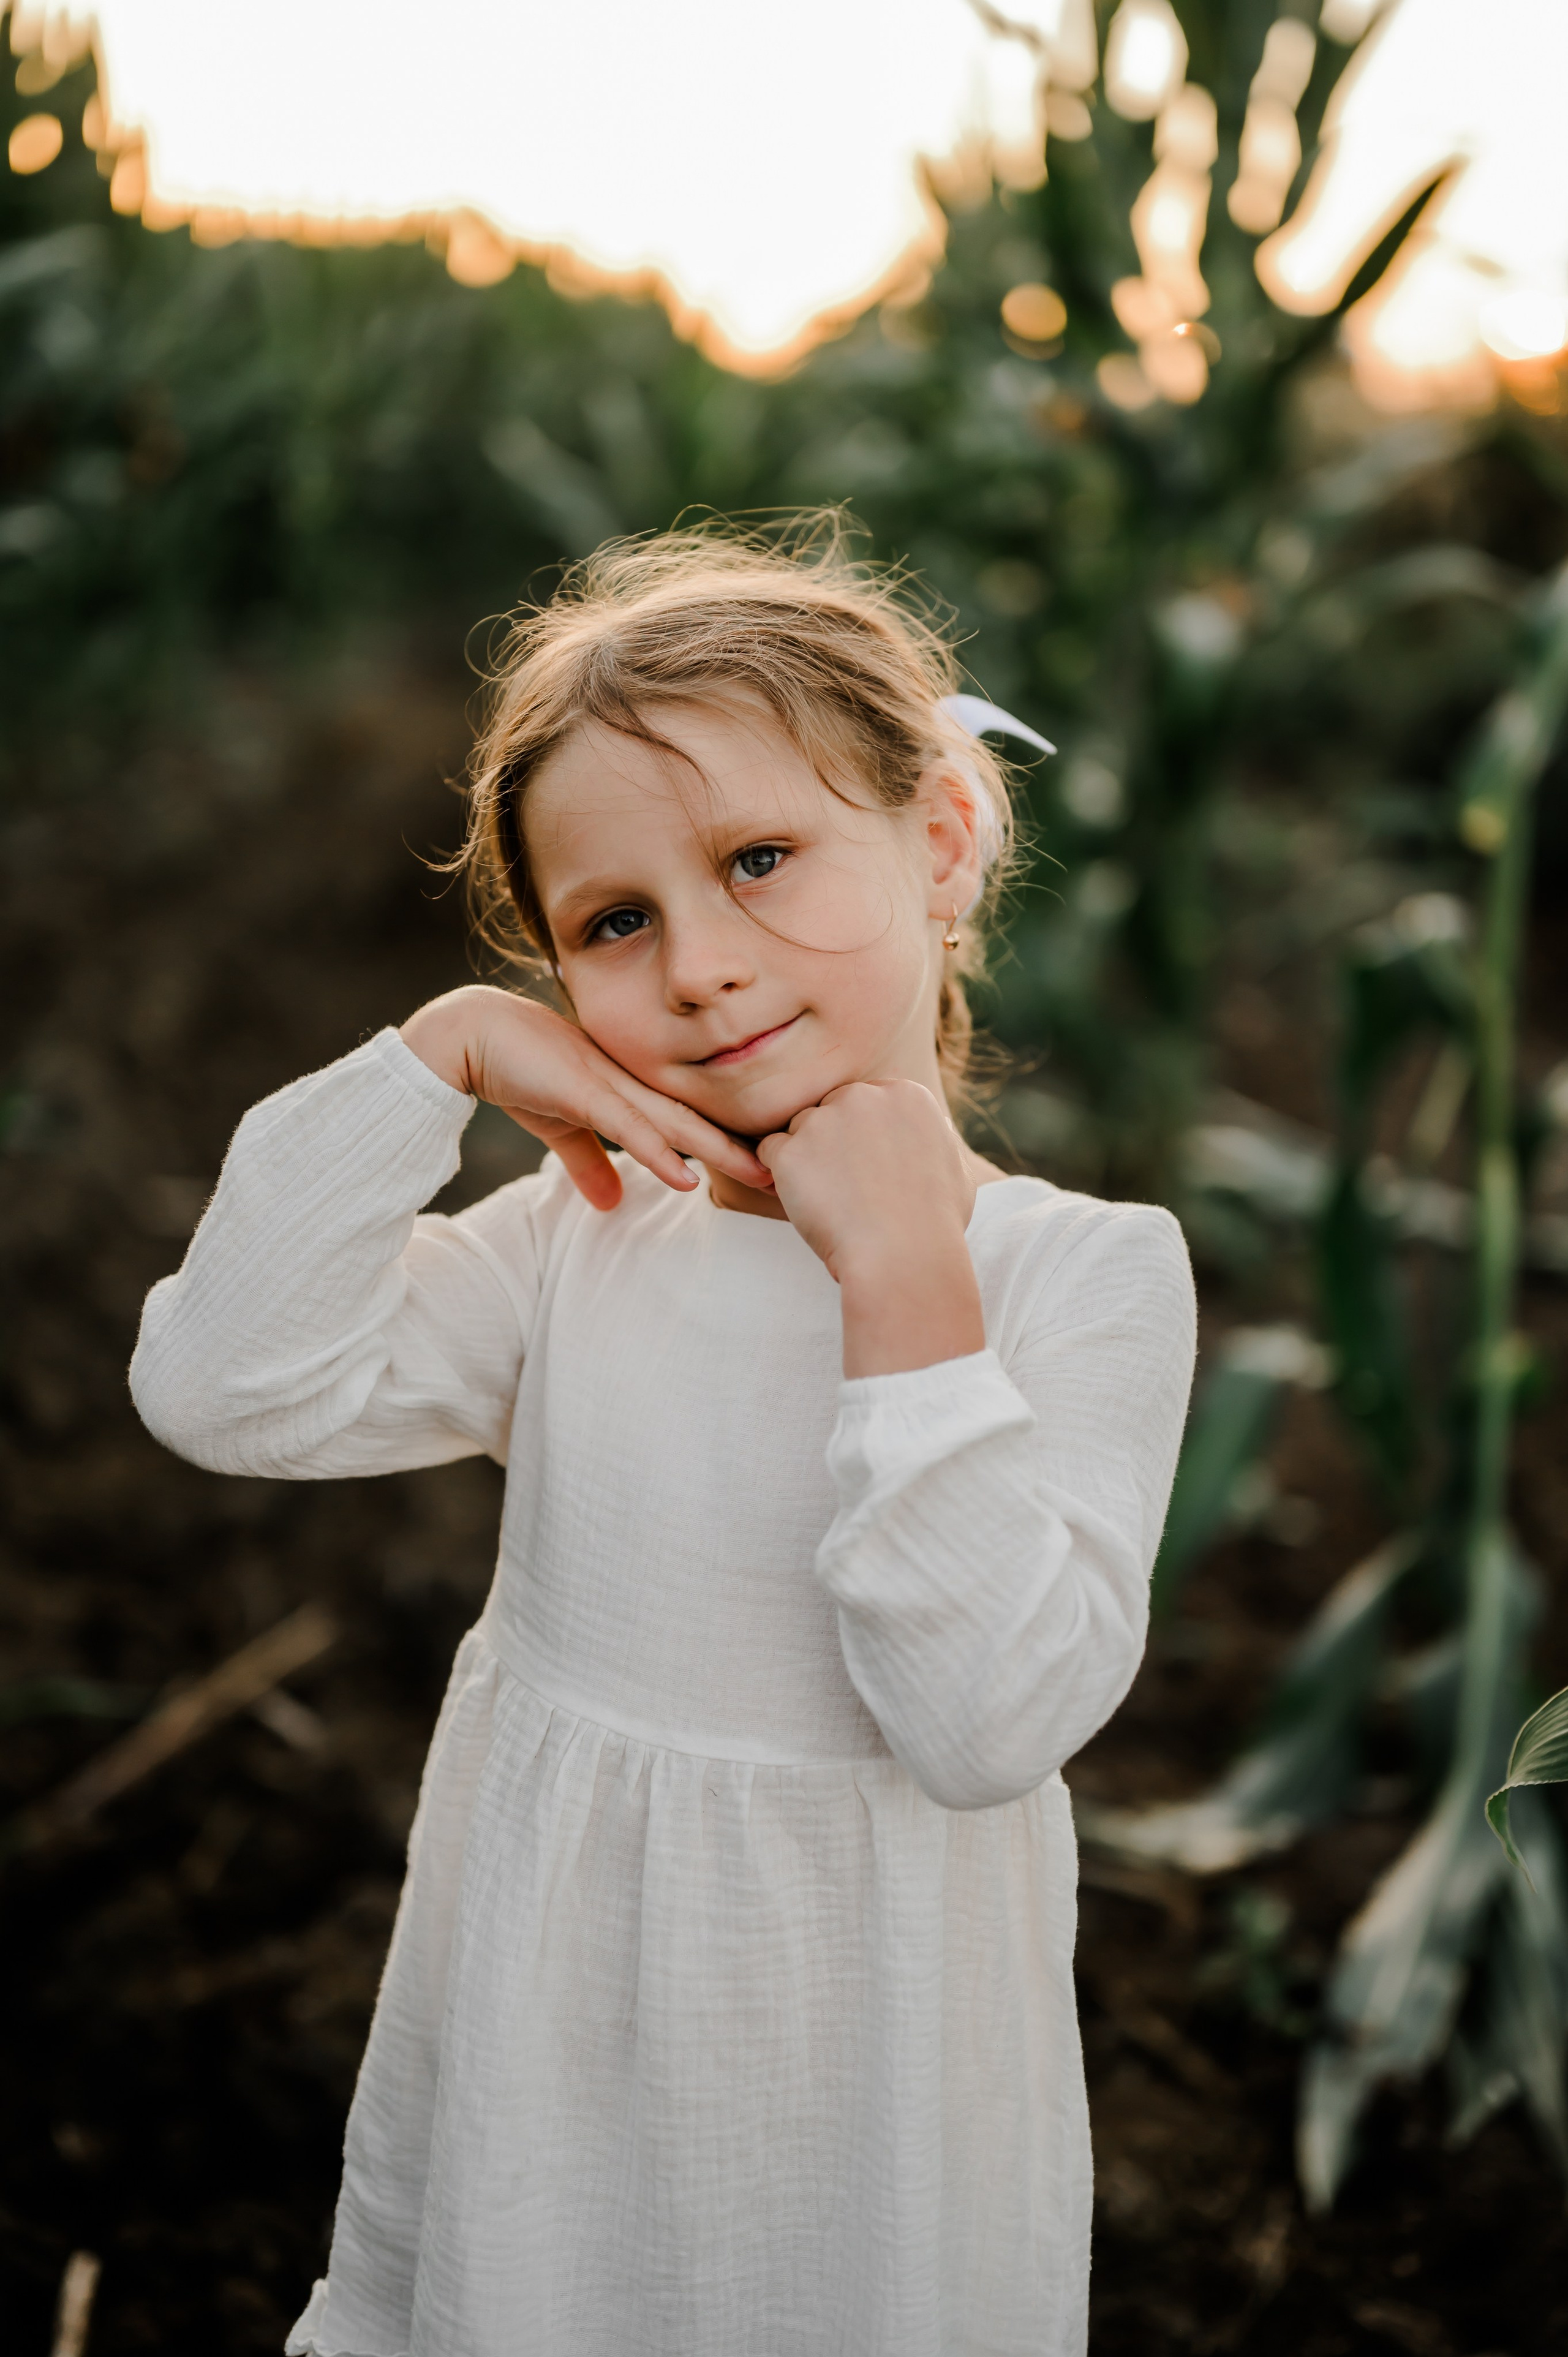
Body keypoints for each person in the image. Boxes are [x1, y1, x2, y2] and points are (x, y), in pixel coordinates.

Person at [129, 521, 1196, 2357]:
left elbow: (987, 1721)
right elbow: (221, 1388)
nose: (701, 967)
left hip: (861, 2093)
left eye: (761, 860)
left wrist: (899, 1285)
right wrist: (440, 1056)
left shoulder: (1075, 1280)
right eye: (613, 924)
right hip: (559, 2040)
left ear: (937, 843)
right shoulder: (580, 1240)